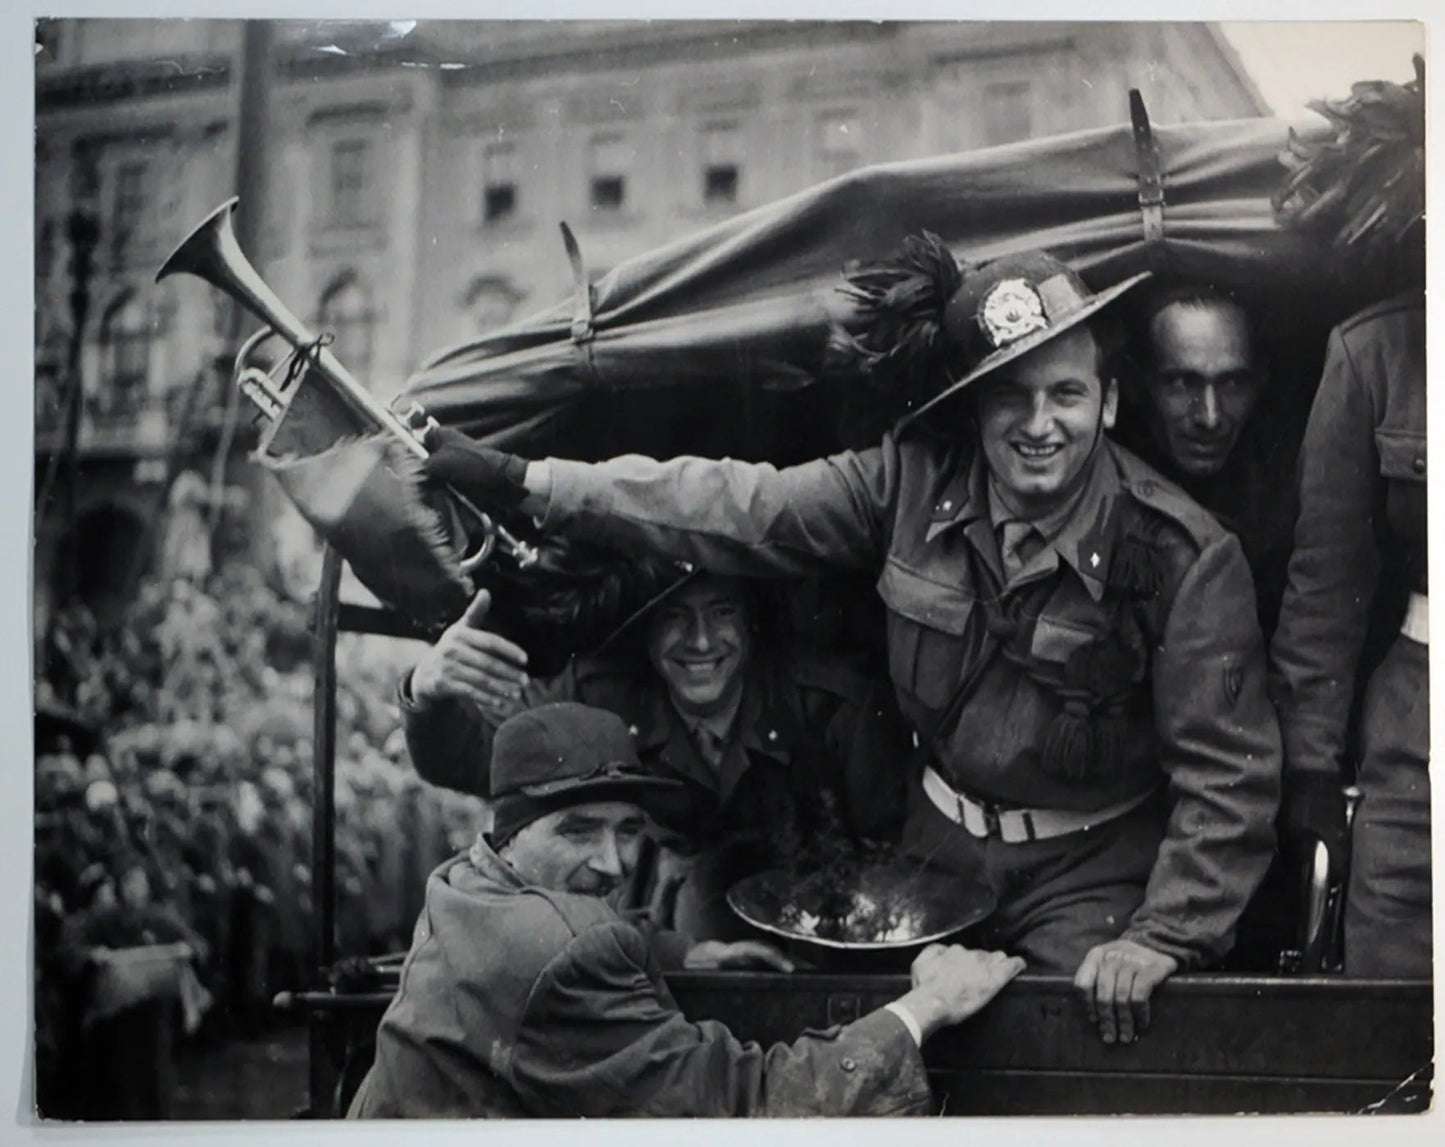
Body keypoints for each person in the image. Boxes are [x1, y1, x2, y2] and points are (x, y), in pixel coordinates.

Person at [422, 241, 1282, 1044]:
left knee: (1034, 1058)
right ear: (974, 405)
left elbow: (1227, 778)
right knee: (883, 1052)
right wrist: (533, 486)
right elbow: (741, 505)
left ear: (1110, 401)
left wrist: (1162, 935)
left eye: (1065, 394)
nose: (1038, 424)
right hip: (932, 858)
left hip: (1088, 876)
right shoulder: (909, 481)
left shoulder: (1183, 554)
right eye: (1010, 396)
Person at [348, 702, 1024, 1118]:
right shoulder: (566, 947)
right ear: (511, 832)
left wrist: (684, 952)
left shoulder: (464, 881)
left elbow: (560, 947)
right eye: (578, 830)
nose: (612, 864)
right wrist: (925, 1005)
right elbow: (748, 1103)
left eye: (627, 831)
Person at [399, 569, 910, 937]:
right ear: (645, 633)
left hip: (818, 916)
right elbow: (476, 763)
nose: (702, 640)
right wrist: (426, 691)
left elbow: (887, 853)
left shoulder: (831, 702)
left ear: (752, 623)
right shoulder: (598, 693)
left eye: (722, 611)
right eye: (675, 616)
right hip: (665, 915)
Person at [1269, 60, 1428, 978]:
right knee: (1392, 993)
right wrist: (1310, 773)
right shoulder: (1372, 354)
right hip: (1418, 719)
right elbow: (1323, 588)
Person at [1115, 286, 1297, 638]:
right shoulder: (1101, 490)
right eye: (1183, 383)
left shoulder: (1287, 496)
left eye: (1232, 382)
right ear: (1136, 384)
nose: (1210, 417)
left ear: (1260, 381)